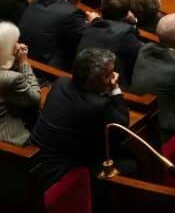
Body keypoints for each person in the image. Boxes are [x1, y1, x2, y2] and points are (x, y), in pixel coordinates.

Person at [31, 47, 130, 189]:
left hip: (37, 159)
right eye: (108, 75)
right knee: (130, 163)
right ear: (90, 82)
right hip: (58, 173)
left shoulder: (61, 83)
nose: (113, 77)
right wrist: (115, 89)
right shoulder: (96, 105)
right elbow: (122, 125)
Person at [19, 0, 93, 69]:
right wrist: (94, 21)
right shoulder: (71, 13)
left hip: (22, 54)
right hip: (43, 67)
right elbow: (88, 37)